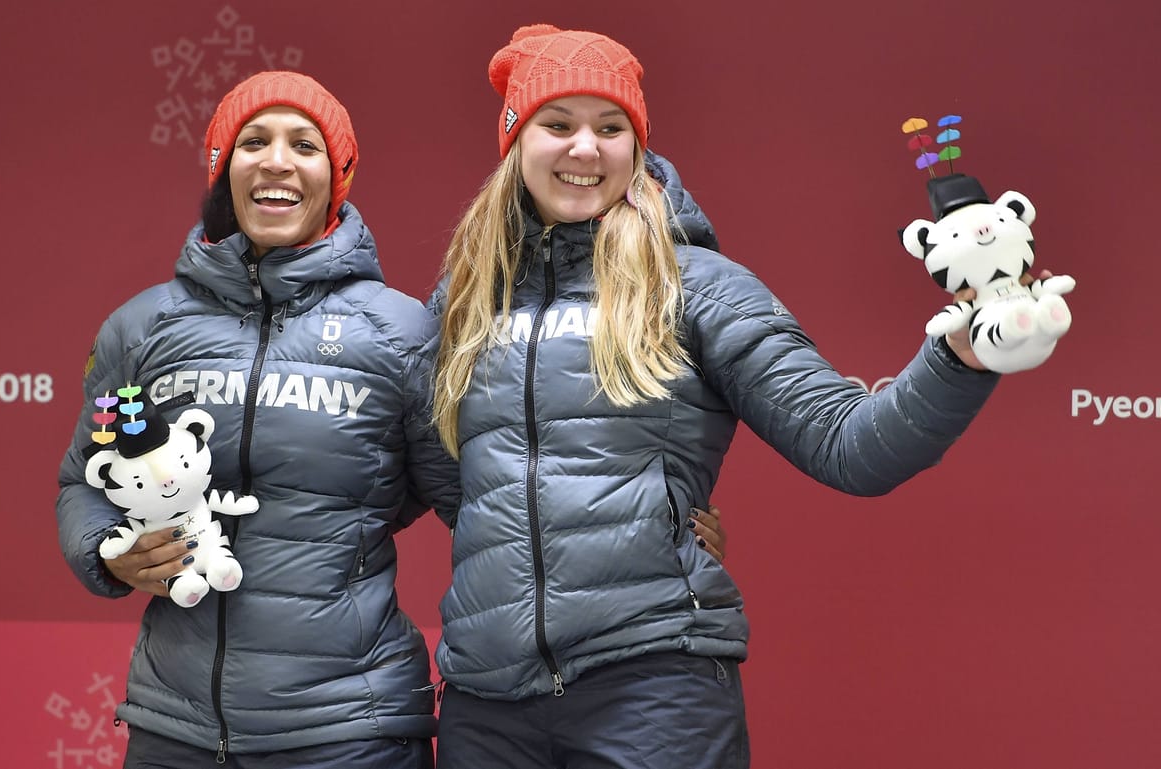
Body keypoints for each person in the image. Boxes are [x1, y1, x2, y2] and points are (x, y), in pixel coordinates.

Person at [56, 69, 728, 769]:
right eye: (254, 141)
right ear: (224, 169)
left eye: (305, 145)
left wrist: (653, 538)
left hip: (352, 728)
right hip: (174, 728)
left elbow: (492, 499)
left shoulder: (400, 333)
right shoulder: (141, 328)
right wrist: (106, 549)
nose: (278, 161)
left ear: (337, 175)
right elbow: (83, 479)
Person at [427, 24, 1005, 769]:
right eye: (557, 124)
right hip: (486, 701)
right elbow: (450, 476)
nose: (584, 149)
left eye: (610, 127)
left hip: (652, 689)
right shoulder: (465, 299)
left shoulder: (695, 284)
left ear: (636, 147)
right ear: (515, 142)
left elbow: (848, 442)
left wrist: (959, 354)